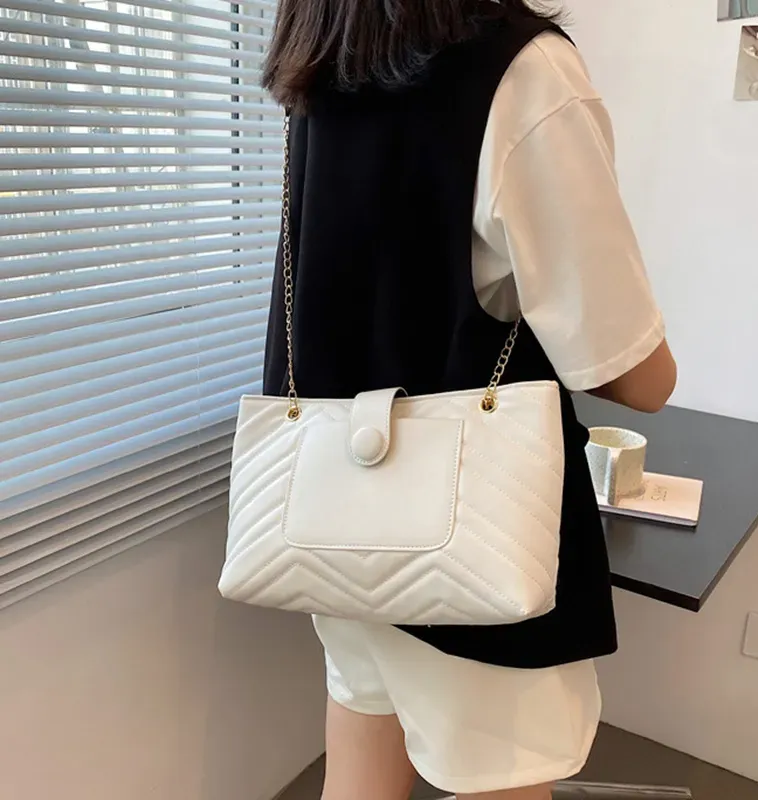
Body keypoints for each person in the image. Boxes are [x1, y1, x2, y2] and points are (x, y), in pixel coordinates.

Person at [260, 2, 677, 799]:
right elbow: (633, 374)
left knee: (360, 766)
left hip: (337, 518)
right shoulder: (522, 70)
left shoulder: (321, 66)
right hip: (471, 542)